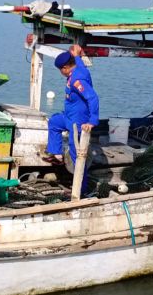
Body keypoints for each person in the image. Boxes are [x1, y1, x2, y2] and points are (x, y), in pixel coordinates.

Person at [43, 45, 99, 194]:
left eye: (61, 70)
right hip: (68, 117)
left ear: (66, 68)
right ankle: (57, 155)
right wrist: (77, 52)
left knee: (77, 157)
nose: (61, 73)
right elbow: (77, 58)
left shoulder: (77, 80)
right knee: (54, 122)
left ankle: (81, 190)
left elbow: (93, 98)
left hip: (78, 122)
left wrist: (92, 121)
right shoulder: (78, 66)